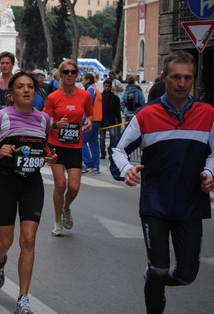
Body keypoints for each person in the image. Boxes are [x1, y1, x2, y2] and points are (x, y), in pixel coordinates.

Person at [109, 50, 214, 314]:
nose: (182, 83)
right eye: (176, 77)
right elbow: (118, 150)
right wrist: (126, 170)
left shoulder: (208, 114)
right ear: (164, 77)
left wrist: (210, 173)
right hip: (155, 204)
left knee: (187, 274)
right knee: (158, 267)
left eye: (188, 77)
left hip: (191, 204)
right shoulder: (146, 115)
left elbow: (213, 154)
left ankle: (154, 278)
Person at [0, 71, 57, 314]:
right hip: (5, 183)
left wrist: (50, 156)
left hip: (32, 184)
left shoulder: (44, 120)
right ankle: (0, 261)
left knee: (28, 240)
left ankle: (23, 298)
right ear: (11, 94)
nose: (26, 90)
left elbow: (45, 146)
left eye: (30, 86)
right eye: (20, 87)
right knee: (4, 242)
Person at [44, 60, 93, 237]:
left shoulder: (84, 95)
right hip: (56, 144)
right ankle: (57, 222)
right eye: (66, 72)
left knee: (73, 187)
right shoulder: (53, 97)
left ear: (77, 74)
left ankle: (66, 207)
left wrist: (89, 121)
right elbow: (45, 121)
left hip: (75, 145)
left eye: (73, 72)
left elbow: (90, 114)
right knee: (60, 184)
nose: (70, 75)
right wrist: (56, 125)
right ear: (61, 75)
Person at [81, 73, 102, 173]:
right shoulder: (96, 90)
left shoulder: (90, 91)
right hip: (97, 119)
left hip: (91, 120)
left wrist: (84, 120)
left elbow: (87, 106)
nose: (82, 81)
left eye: (83, 79)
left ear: (88, 80)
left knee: (81, 141)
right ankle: (95, 166)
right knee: (93, 143)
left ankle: (89, 165)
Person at [99, 79, 122, 159]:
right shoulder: (100, 97)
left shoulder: (115, 98)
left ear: (111, 87)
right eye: (106, 86)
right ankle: (103, 152)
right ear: (103, 86)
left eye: (109, 86)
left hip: (111, 120)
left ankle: (110, 151)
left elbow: (117, 111)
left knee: (113, 136)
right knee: (102, 138)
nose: (107, 88)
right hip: (102, 121)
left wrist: (119, 121)